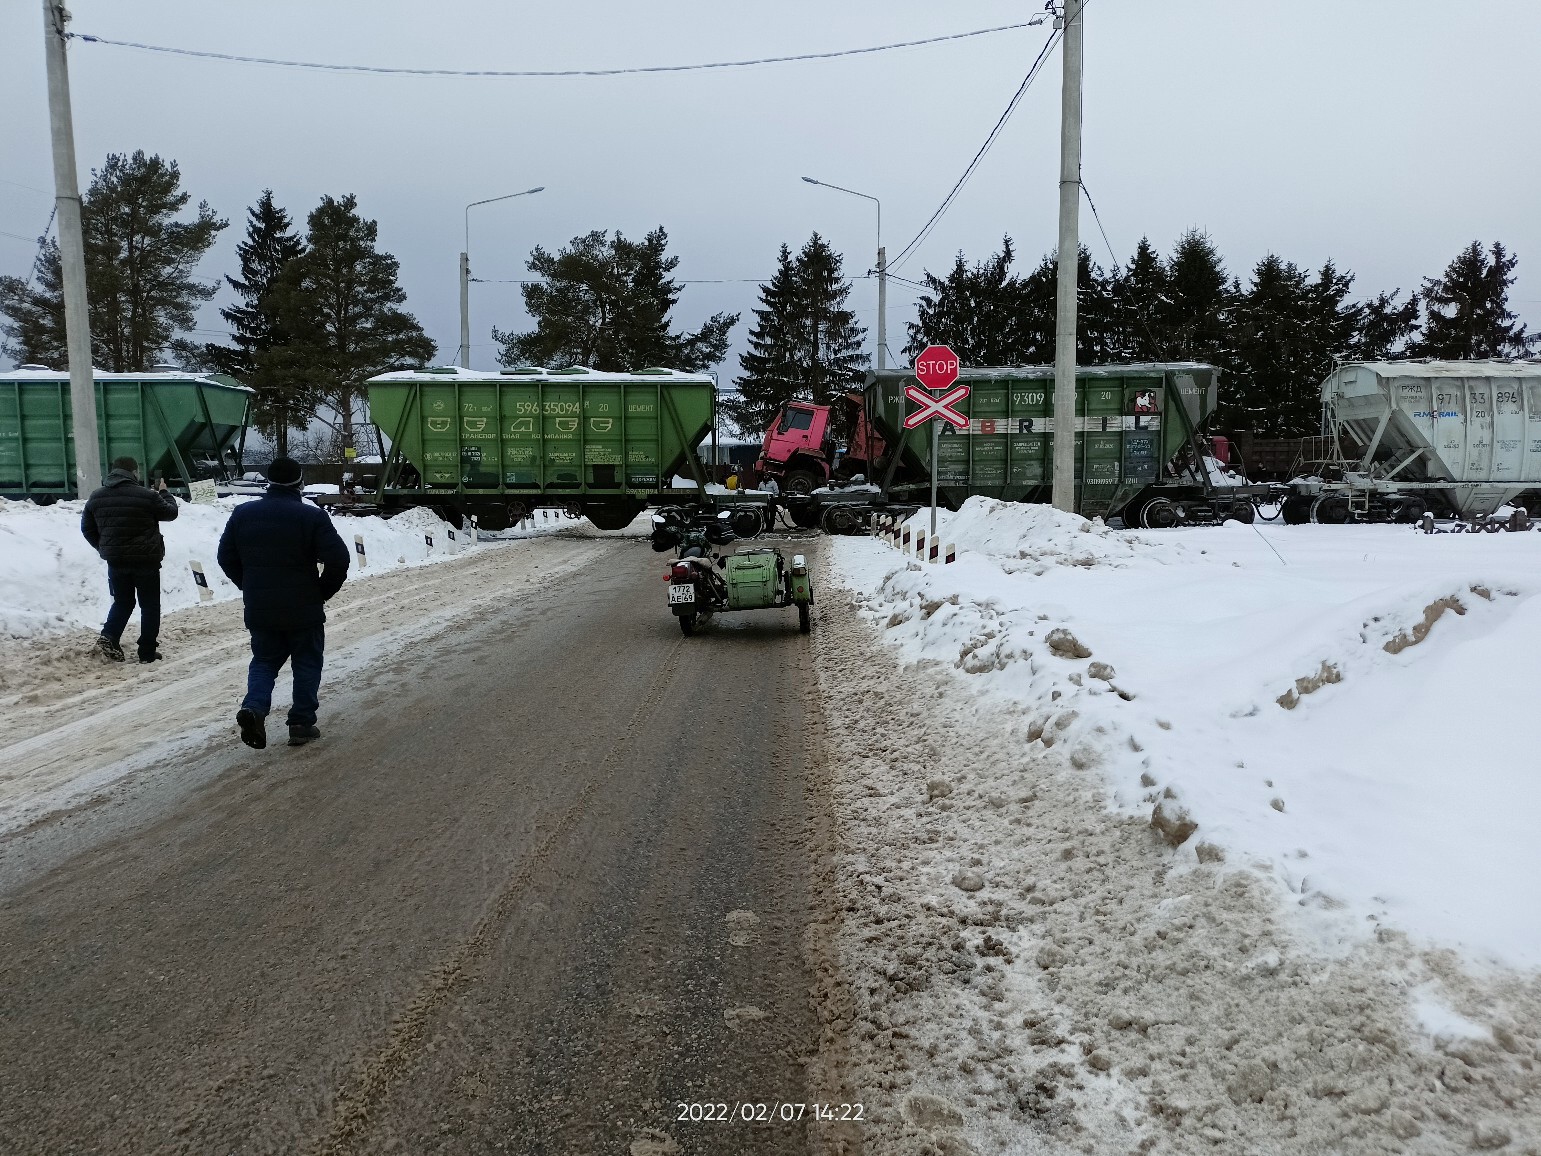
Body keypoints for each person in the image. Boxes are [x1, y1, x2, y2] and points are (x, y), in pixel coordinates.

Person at [217, 457, 350, 750]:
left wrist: (250, 586)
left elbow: (225, 557)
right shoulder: (311, 517)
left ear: (268, 481)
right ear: (299, 482)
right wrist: (321, 592)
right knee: (306, 661)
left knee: (264, 661)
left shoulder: (243, 514)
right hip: (304, 607)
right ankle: (301, 723)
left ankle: (254, 709)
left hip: (261, 608)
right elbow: (339, 559)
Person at [80, 456, 179, 663]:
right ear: (134, 473)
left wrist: (104, 548)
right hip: (146, 561)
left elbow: (87, 528)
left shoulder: (96, 497)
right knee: (149, 605)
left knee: (123, 602)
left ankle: (109, 636)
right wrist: (164, 492)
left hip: (116, 562)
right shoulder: (147, 496)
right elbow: (171, 513)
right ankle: (146, 651)